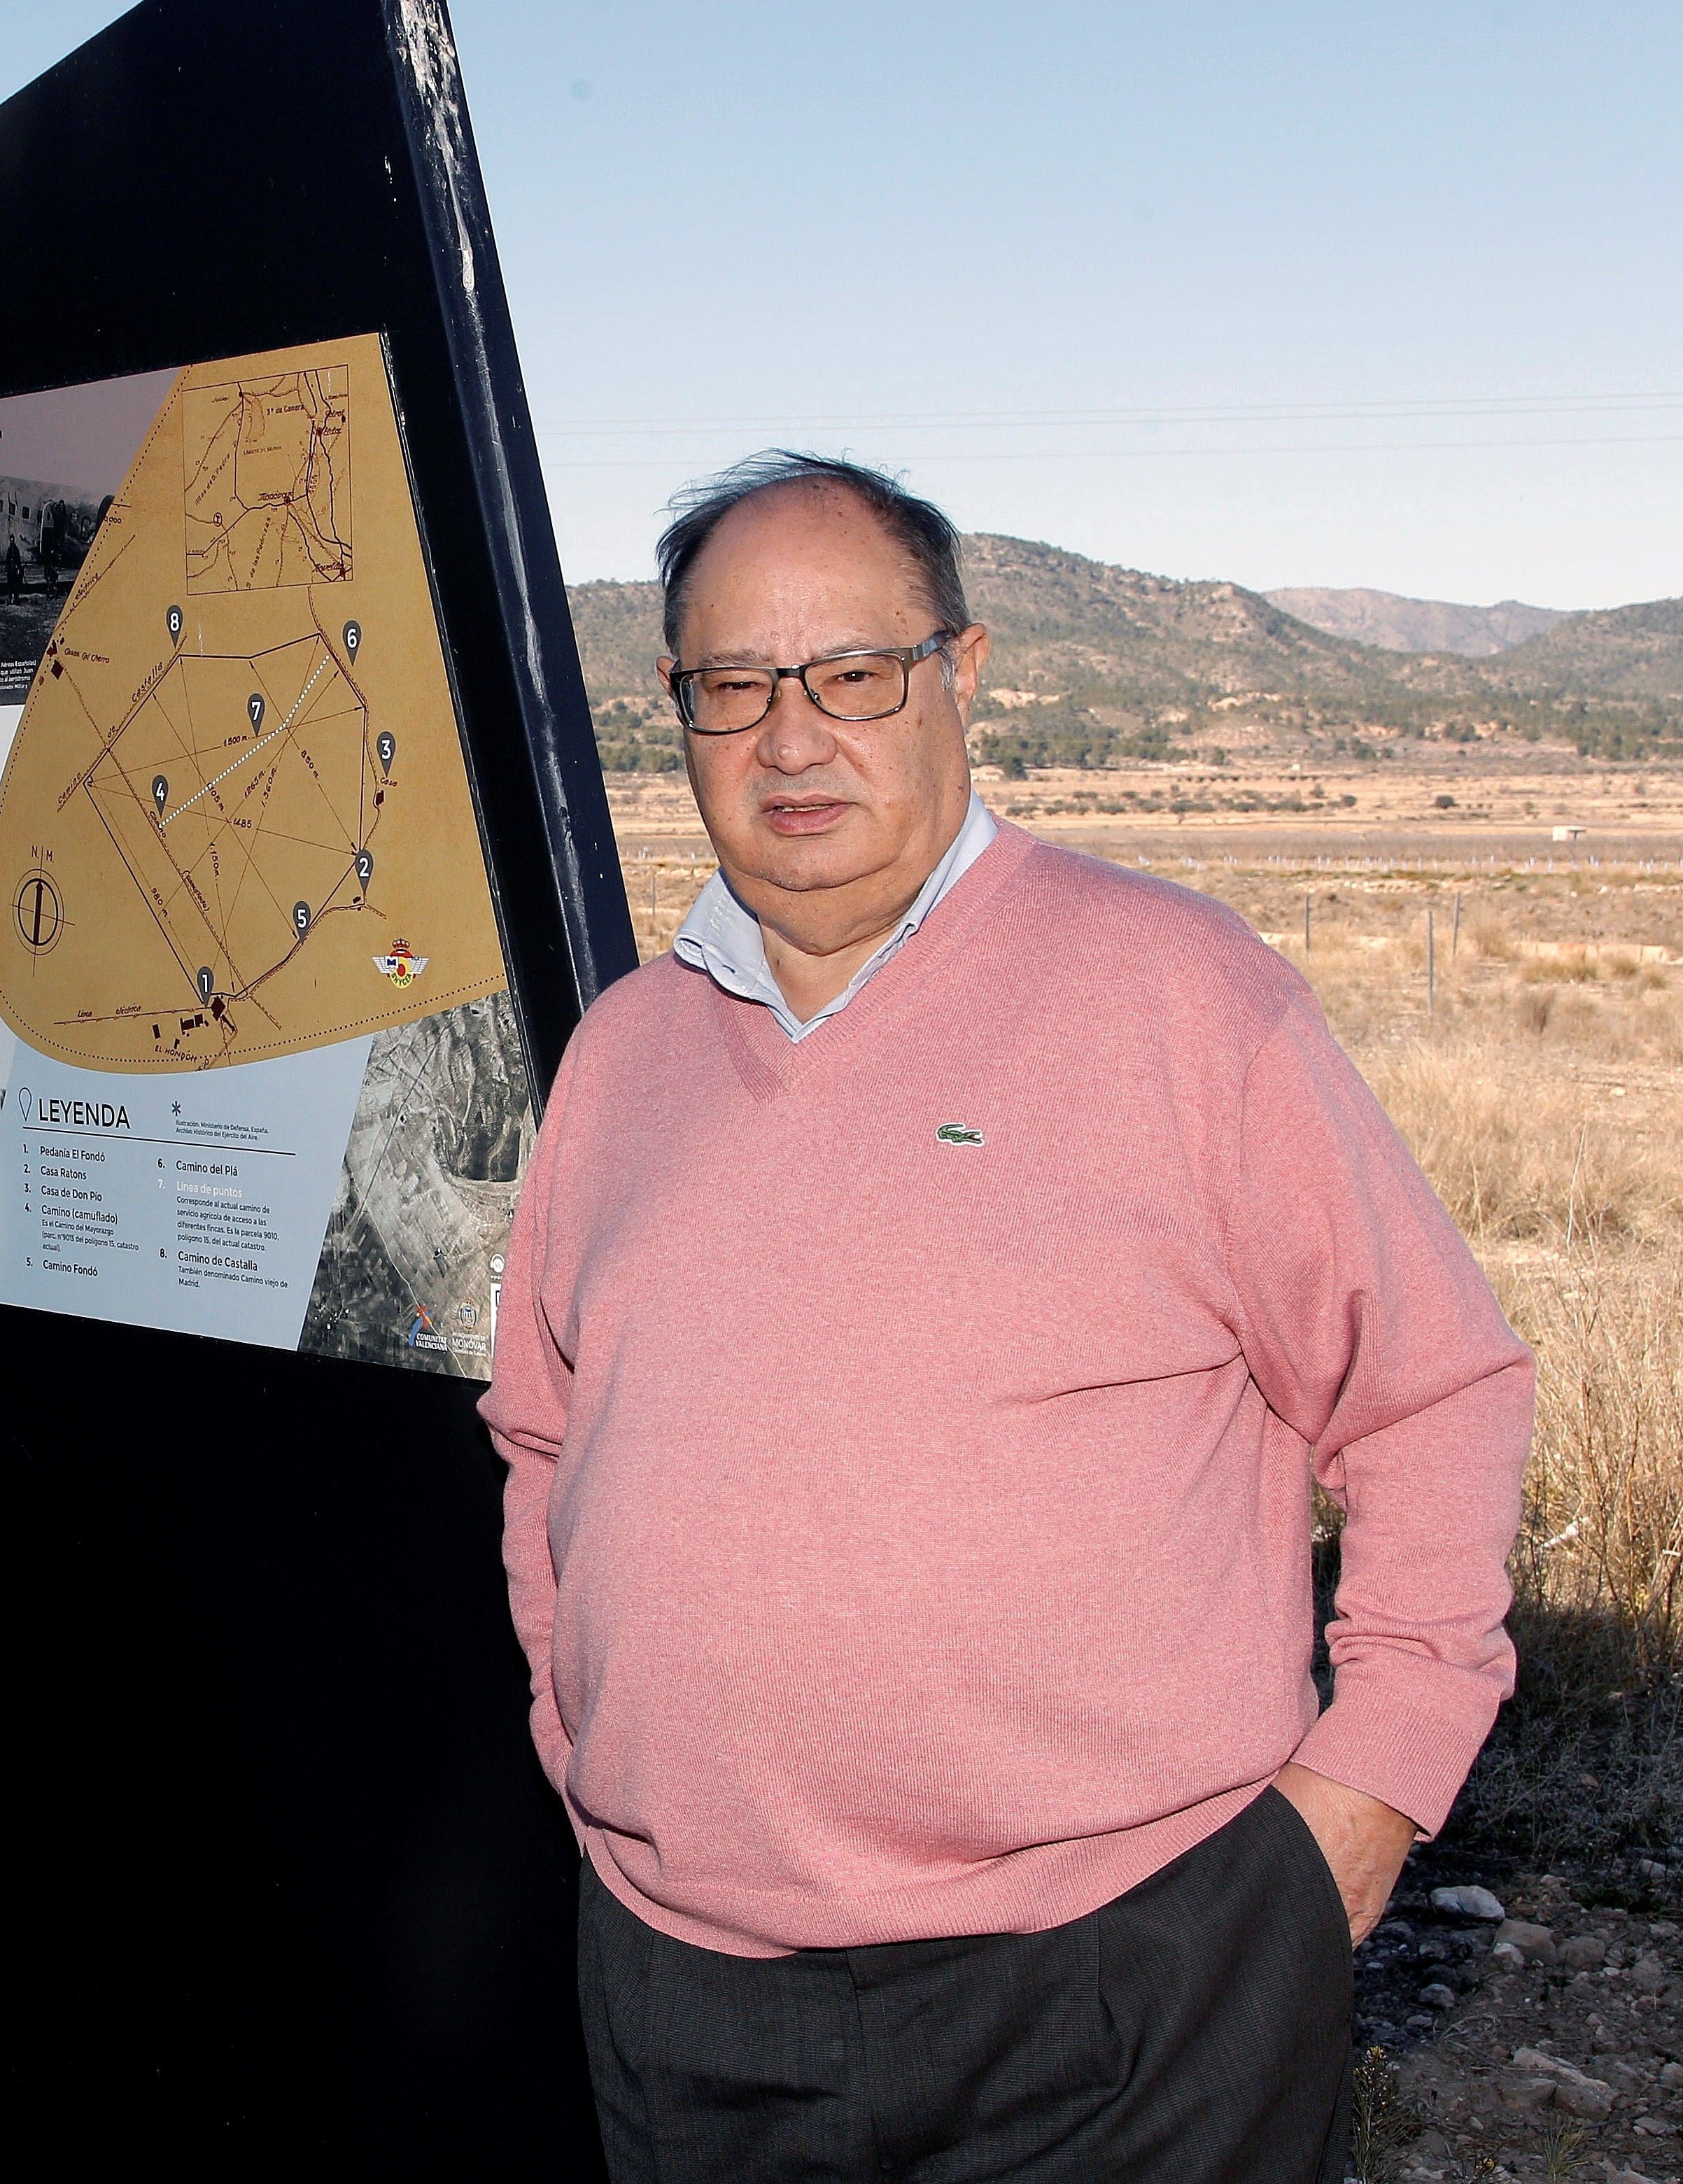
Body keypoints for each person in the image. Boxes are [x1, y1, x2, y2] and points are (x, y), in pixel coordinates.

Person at [481, 452, 1532, 2181]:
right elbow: (542, 1435)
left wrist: (1367, 1792)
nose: (792, 738)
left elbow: (1436, 1394)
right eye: (732, 686)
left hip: (1127, 1982)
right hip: (685, 1991)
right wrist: (577, 1730)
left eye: (853, 675)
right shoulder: (622, 1055)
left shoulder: (1181, 996)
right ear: (676, 711)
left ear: (960, 678)